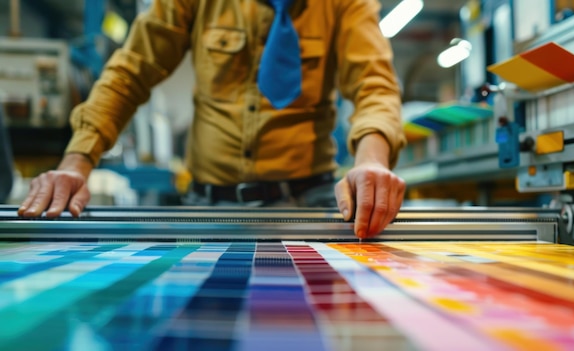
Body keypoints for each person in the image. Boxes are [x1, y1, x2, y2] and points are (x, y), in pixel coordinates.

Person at [18, 0, 407, 238]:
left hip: (307, 206)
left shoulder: (346, 3)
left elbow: (374, 86)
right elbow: (130, 71)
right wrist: (76, 163)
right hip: (208, 207)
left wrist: (371, 160)